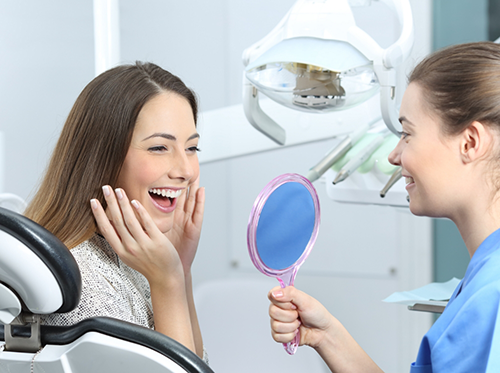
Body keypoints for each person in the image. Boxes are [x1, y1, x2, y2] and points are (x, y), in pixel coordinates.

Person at [268, 41, 500, 372]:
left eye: (407, 134)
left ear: (470, 143)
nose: (394, 156)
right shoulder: (485, 279)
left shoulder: (493, 296)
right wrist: (327, 336)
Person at [24, 62, 207, 362]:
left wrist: (181, 269)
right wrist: (169, 281)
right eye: (160, 148)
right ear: (102, 158)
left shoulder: (141, 258)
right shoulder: (83, 283)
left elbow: (198, 364)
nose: (186, 170)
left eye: (192, 148)